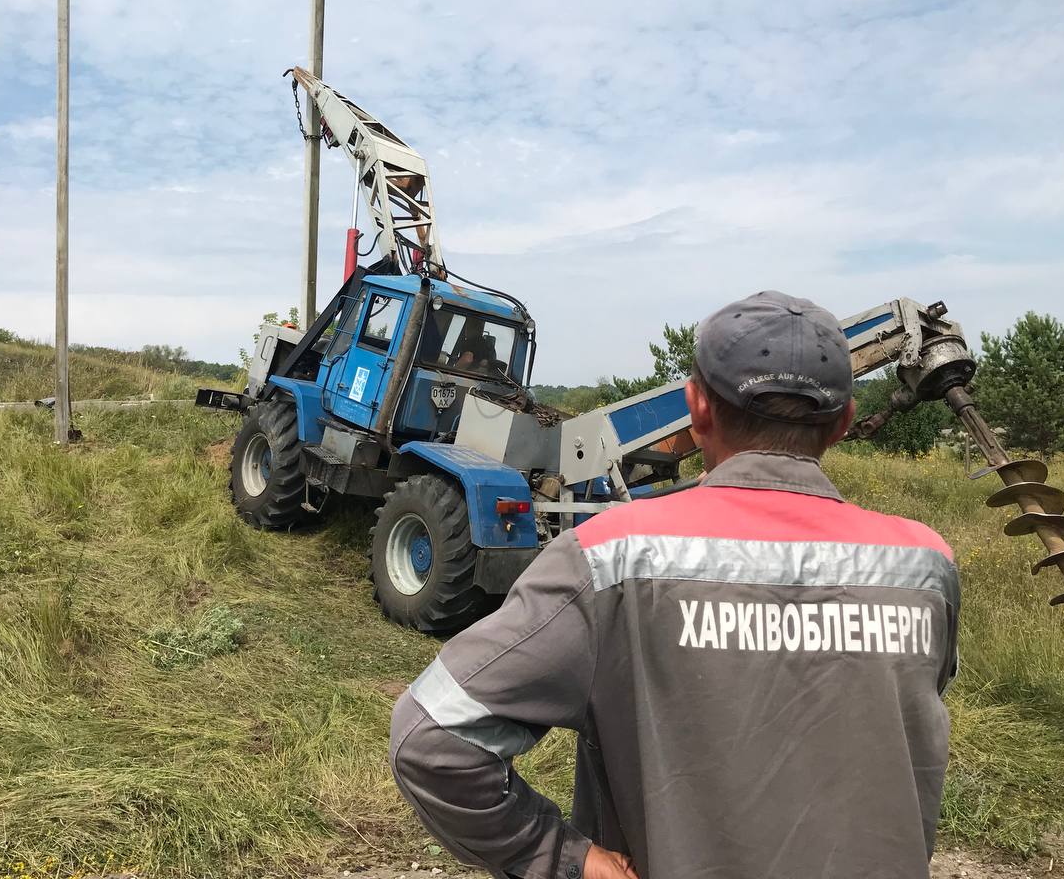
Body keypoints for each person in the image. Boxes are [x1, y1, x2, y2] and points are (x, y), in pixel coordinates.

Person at [390, 291, 960, 879]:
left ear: (696, 408)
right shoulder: (926, 566)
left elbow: (430, 735)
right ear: (843, 421)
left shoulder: (608, 561)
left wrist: (565, 859)